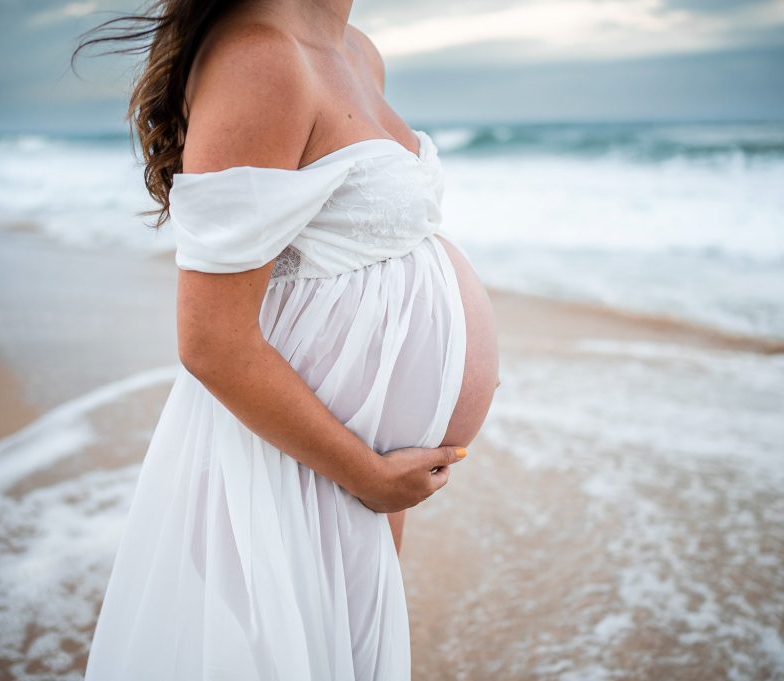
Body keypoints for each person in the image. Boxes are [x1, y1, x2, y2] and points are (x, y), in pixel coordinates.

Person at [75, 0, 499, 678]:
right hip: (296, 467)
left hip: (351, 472)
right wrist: (368, 473)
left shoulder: (356, 50)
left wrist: (380, 480)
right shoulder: (260, 59)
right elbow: (211, 339)